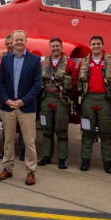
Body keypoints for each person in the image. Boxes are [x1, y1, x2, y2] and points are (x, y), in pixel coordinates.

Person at [0, 30, 41, 186]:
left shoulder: (34, 60)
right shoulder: (5, 60)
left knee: (29, 142)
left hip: (26, 107)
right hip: (8, 107)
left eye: (22, 39)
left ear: (26, 41)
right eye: (16, 40)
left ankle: (30, 172)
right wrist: (7, 100)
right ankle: (7, 168)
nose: (19, 42)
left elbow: (37, 85)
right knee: (8, 141)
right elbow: (0, 83)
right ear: (12, 42)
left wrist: (23, 101)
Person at [77, 35, 111, 173]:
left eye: (98, 44)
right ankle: (85, 160)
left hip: (105, 99)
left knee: (106, 132)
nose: (96, 46)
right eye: (93, 44)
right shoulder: (84, 62)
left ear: (102, 45)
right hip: (88, 99)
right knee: (87, 132)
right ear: (90, 46)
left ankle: (107, 162)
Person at [38, 38, 77, 169]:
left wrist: (67, 95)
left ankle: (62, 158)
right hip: (46, 97)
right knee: (46, 130)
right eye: (53, 46)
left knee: (62, 131)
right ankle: (46, 156)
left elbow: (75, 82)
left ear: (61, 47)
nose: (55, 48)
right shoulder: (43, 63)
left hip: (61, 99)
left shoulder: (69, 63)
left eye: (57, 46)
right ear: (50, 47)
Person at [0, 35, 26, 161]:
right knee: (6, 126)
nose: (9, 45)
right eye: (7, 43)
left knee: (23, 126)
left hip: (21, 98)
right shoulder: (2, 58)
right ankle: (6, 150)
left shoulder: (25, 58)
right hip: (6, 98)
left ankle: (23, 151)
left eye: (11, 43)